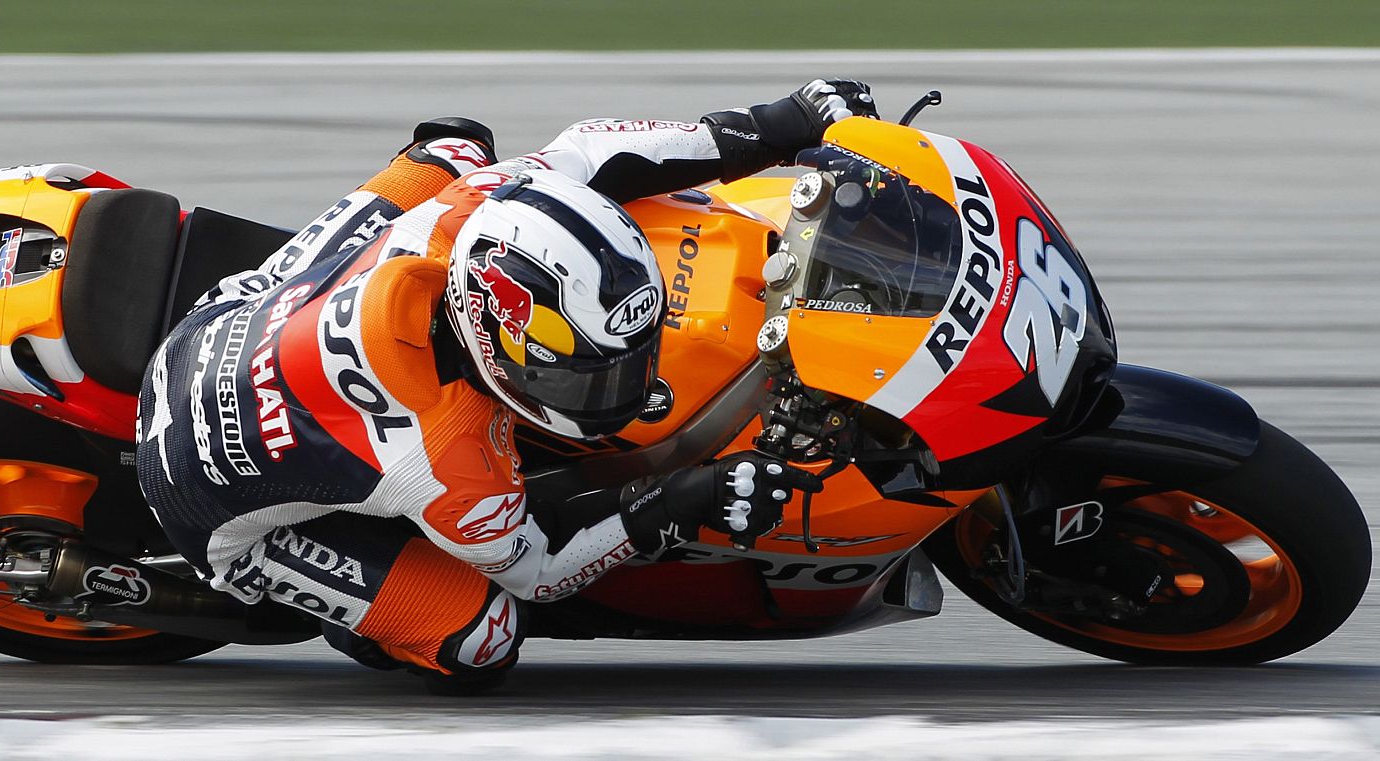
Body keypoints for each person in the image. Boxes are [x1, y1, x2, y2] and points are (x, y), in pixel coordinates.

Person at [135, 79, 871, 691]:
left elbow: (590, 150)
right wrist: (670, 504)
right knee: (482, 639)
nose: (621, 389)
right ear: (494, 337)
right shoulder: (445, 460)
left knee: (453, 149)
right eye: (590, 374)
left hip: (236, 311)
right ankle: (354, 618)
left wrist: (777, 125)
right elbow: (541, 572)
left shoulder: (467, 216)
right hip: (198, 489)